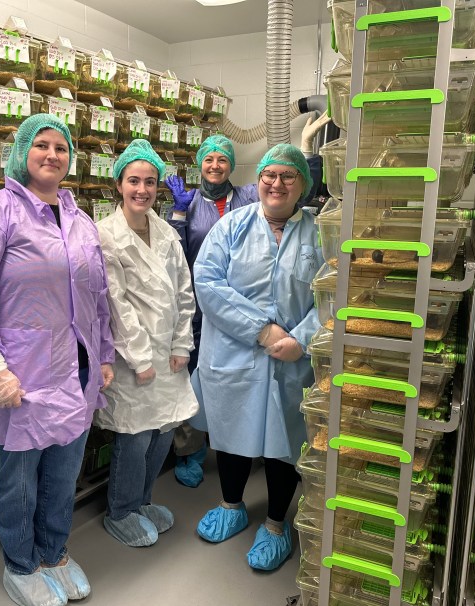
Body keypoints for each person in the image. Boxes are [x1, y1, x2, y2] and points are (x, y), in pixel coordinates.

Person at [0, 114, 115, 606]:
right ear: (21, 153)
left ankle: (55, 552)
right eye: (41, 145)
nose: (52, 155)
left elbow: (97, 299)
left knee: (63, 474)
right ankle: (21, 564)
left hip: (75, 373)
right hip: (21, 376)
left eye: (61, 148)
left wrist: (102, 356)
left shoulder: (80, 222)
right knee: (18, 481)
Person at [189, 144, 324, 571]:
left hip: (293, 360)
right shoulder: (231, 226)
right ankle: (232, 505)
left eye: (288, 176)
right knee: (230, 433)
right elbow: (207, 283)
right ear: (259, 180)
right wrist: (262, 330)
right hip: (235, 353)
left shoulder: (320, 234)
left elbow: (335, 295)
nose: (277, 183)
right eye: (270, 175)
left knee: (286, 443)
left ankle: (275, 524)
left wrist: (302, 338)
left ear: (303, 184)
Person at [95, 139, 200, 547]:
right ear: (119, 184)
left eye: (150, 182)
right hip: (131, 356)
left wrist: (180, 345)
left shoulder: (165, 232)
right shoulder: (105, 234)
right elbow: (115, 306)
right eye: (134, 181)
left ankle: (142, 501)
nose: (142, 189)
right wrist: (140, 359)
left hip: (168, 356)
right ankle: (120, 511)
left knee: (163, 431)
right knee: (135, 435)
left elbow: (183, 291)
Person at [164, 134, 259, 488]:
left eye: (222, 159)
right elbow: (172, 250)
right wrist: (177, 211)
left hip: (243, 304)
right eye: (209, 160)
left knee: (238, 376)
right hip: (199, 305)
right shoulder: (187, 203)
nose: (215, 165)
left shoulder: (249, 196)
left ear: (232, 165)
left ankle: (240, 445)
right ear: (199, 165)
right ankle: (190, 451)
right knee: (191, 378)